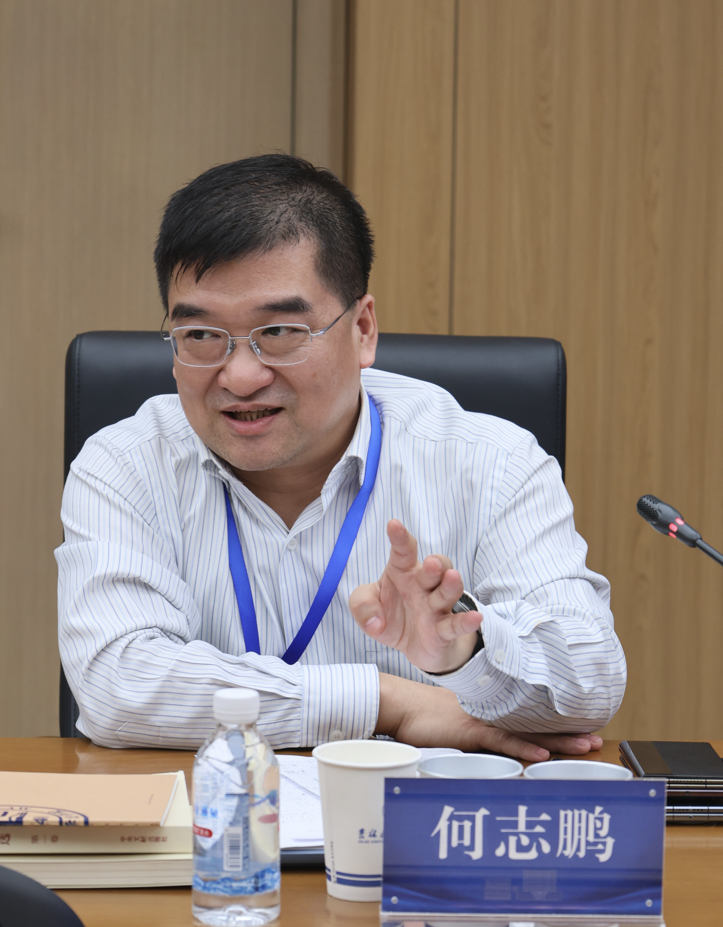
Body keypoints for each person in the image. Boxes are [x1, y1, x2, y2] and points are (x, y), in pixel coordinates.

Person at [56, 154, 626, 759]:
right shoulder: (124, 464)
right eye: (200, 336)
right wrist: (387, 701)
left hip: (416, 814)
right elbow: (117, 684)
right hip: (214, 814)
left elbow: (589, 683)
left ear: (363, 330)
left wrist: (467, 652)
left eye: (280, 332)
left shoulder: (491, 463)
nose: (241, 376)